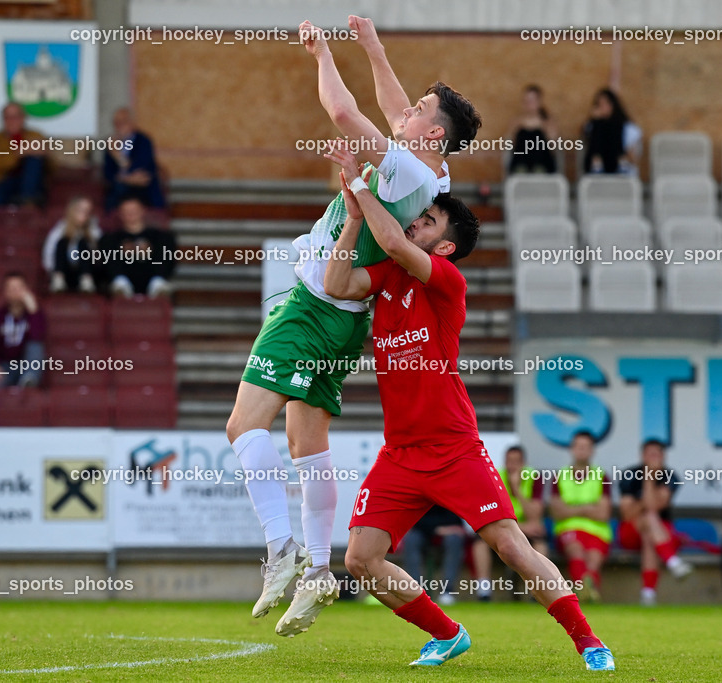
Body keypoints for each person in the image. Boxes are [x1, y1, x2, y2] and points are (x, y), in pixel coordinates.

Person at [225, 16, 478, 638]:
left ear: (435, 131)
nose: (405, 109)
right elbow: (394, 108)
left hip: (313, 304)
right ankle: (315, 569)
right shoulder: (434, 175)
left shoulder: (412, 172)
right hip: (344, 316)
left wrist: (322, 53)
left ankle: (281, 549)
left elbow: (342, 112)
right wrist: (374, 47)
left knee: (241, 426)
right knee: (306, 445)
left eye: (420, 109)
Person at [323, 144, 613, 670]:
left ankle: (589, 642)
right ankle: (447, 632)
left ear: (447, 245)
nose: (417, 223)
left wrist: (359, 191)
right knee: (360, 559)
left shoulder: (446, 282)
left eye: (429, 220)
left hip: (454, 447)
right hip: (401, 453)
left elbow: (388, 236)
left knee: (511, 546)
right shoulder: (388, 278)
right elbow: (336, 283)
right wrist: (350, 221)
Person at [617, 439, 693, 606]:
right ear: (642, 456)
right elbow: (627, 514)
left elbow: (655, 507)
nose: (653, 458)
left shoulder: (671, 476)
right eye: (650, 454)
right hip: (631, 532)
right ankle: (672, 561)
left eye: (657, 454)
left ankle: (648, 595)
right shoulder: (629, 475)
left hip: (660, 533)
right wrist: (649, 480)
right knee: (648, 519)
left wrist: (648, 484)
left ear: (663, 456)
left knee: (649, 530)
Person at [471, 444, 547, 601]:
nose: (512, 466)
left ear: (523, 463)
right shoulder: (495, 476)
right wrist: (522, 527)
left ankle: (537, 591)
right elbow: (491, 515)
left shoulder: (533, 477)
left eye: (516, 461)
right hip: (504, 530)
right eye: (509, 461)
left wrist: (517, 489)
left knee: (541, 546)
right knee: (479, 546)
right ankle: (483, 591)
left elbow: (535, 517)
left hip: (525, 533)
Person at [550, 431, 613, 602]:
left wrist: (571, 508)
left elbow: (604, 513)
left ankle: (585, 593)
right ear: (572, 449)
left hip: (597, 531)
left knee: (593, 557)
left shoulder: (601, 476)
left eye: (586, 447)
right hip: (568, 530)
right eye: (579, 446)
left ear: (593, 450)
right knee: (575, 548)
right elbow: (557, 512)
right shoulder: (560, 476)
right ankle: (586, 592)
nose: (582, 450)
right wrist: (588, 507)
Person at [100, 197, 177, 298]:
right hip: (124, 276)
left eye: (134, 210)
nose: (131, 214)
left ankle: (158, 284)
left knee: (166, 240)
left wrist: (148, 250)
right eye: (126, 211)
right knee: (106, 241)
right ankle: (120, 284)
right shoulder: (112, 238)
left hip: (151, 275)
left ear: (143, 211)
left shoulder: (159, 236)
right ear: (120, 214)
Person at [0, 272, 46, 388]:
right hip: (6, 365)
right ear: (5, 292)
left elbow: (37, 336)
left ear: (26, 290)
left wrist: (33, 310)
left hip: (26, 364)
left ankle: (29, 379)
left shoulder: (36, 315)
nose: (15, 291)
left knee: (35, 346)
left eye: (19, 288)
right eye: (11, 288)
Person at [103, 107, 167, 212]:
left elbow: (140, 169)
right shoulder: (110, 143)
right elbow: (108, 173)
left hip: (143, 188)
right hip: (121, 187)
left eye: (123, 122)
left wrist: (118, 156)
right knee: (116, 191)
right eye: (116, 122)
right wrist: (126, 179)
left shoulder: (143, 141)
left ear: (132, 123)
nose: (119, 126)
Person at [0, 103, 46, 206]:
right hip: (2, 181)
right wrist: (19, 153)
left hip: (31, 183)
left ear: (23, 118)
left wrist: (44, 153)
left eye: (15, 117)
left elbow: (51, 168)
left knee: (34, 160)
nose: (11, 121)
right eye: (7, 117)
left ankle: (27, 201)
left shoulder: (35, 136)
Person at [402, 506, 466, 606]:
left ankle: (447, 590)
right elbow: (415, 519)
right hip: (423, 531)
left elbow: (455, 521)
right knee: (411, 540)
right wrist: (436, 529)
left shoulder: (449, 493)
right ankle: (415, 590)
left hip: (446, 532)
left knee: (454, 540)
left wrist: (441, 529)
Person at [42, 196, 101, 294]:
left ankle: (86, 280)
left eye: (87, 211)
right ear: (72, 211)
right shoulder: (60, 229)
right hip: (66, 274)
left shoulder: (94, 230)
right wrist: (53, 272)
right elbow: (48, 254)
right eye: (81, 210)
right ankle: (58, 280)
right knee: (63, 241)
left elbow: (100, 255)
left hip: (88, 275)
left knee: (83, 243)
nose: (84, 214)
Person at [581, 88, 642, 175]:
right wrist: (596, 123)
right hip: (598, 174)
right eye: (599, 104)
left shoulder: (629, 129)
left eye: (606, 103)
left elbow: (633, 159)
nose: (603, 107)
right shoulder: (592, 126)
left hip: (622, 174)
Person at [506, 85, 559, 175]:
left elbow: (554, 145)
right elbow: (508, 143)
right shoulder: (517, 122)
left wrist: (544, 127)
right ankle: (521, 171)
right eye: (526, 101)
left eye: (531, 101)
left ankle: (538, 170)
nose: (528, 104)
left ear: (539, 102)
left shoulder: (547, 122)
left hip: (542, 163)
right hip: (521, 163)